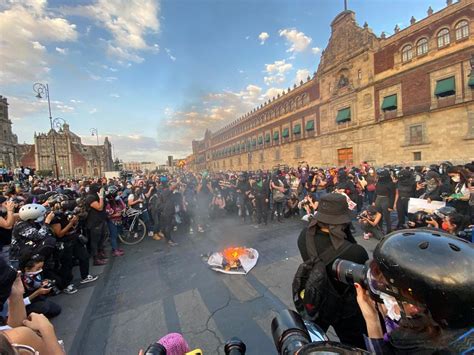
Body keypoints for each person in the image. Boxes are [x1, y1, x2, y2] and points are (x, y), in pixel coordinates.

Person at [355, 229, 474, 354]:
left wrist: (372, 320)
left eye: (390, 291)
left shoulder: (412, 344)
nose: (387, 299)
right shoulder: (462, 327)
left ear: (416, 306)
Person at [297, 193, 369, 349]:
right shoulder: (356, 251)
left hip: (316, 298)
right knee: (355, 345)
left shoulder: (304, 236)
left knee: (313, 340)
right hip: (344, 309)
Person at [19, 254, 61, 318]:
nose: (40, 270)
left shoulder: (35, 275)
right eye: (38, 268)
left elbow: (38, 283)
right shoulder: (19, 282)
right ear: (27, 269)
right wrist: (37, 292)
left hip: (36, 299)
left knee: (56, 310)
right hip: (23, 305)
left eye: (41, 267)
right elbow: (19, 304)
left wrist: (43, 283)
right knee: (44, 307)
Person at [84, 184, 108, 265]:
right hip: (94, 222)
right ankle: (96, 259)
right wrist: (101, 197)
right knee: (95, 241)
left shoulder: (95, 196)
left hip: (100, 220)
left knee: (102, 238)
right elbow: (99, 207)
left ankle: (100, 253)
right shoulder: (90, 197)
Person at [105, 186, 126, 256]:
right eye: (116, 192)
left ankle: (116, 248)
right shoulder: (108, 202)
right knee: (113, 236)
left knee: (116, 235)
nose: (118, 193)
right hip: (112, 221)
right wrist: (116, 215)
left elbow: (123, 206)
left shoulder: (116, 200)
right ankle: (115, 250)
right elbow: (107, 215)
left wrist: (120, 199)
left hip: (118, 220)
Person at [374, 169, 396, 234]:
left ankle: (389, 230)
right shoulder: (379, 182)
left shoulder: (391, 183)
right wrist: (373, 200)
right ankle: (379, 228)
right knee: (378, 215)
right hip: (378, 199)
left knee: (387, 216)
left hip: (386, 200)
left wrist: (391, 206)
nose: (379, 176)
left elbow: (392, 195)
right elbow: (375, 192)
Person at [0, 197, 16, 262]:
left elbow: (16, 216)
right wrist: (10, 210)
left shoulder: (3, 213)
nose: (8, 204)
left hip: (7, 244)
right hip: (2, 247)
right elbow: (8, 225)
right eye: (5, 203)